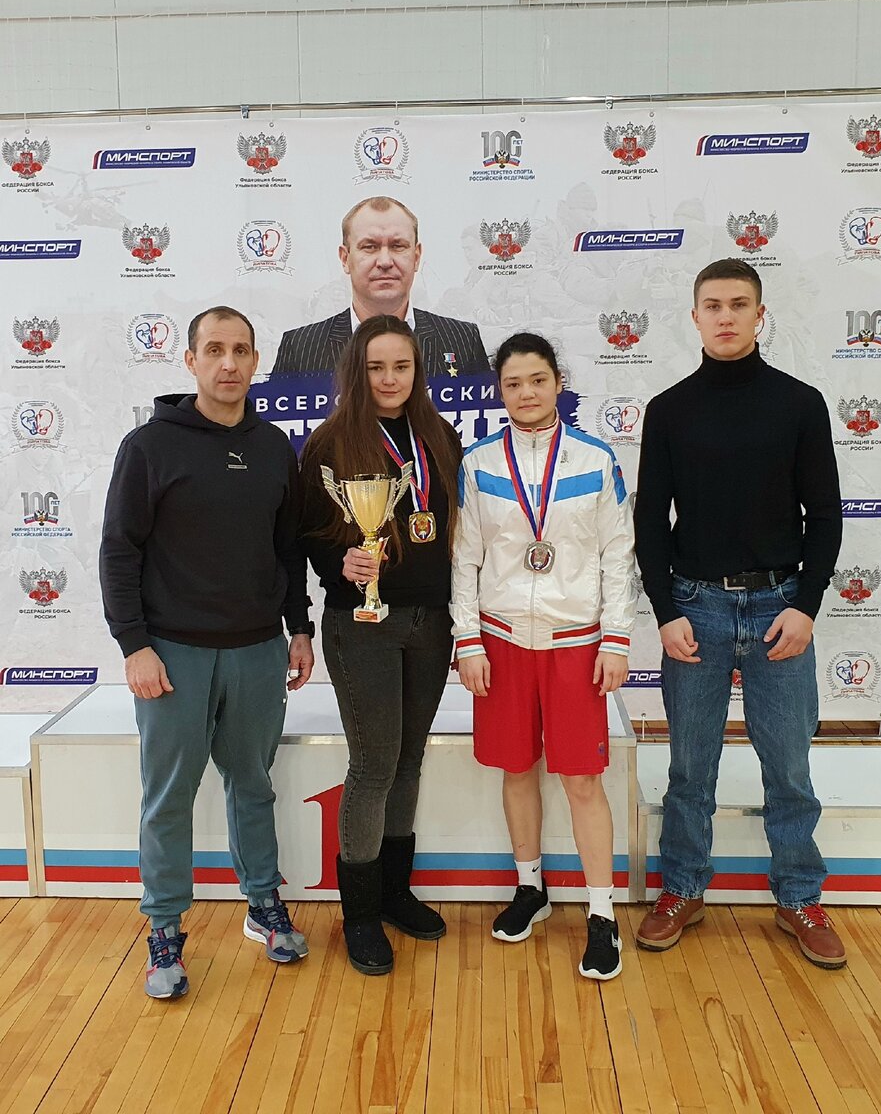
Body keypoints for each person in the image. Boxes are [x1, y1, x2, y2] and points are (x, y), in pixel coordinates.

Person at [633, 258, 846, 968]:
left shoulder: (800, 403)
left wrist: (807, 606)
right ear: (694, 317)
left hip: (781, 608)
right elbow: (649, 521)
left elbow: (826, 515)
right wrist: (666, 611)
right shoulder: (669, 409)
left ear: (760, 314)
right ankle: (682, 889)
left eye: (739, 304)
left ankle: (799, 897)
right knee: (690, 767)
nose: (725, 316)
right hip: (696, 608)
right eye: (713, 305)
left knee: (788, 766)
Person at [99, 306, 315, 999]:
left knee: (253, 784)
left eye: (241, 350)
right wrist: (135, 645)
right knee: (169, 798)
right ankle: (164, 928)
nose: (229, 363)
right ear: (190, 360)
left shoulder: (275, 447)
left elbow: (288, 550)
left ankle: (264, 904)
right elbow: (119, 550)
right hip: (172, 655)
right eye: (215, 349)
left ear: (256, 362)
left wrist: (300, 628)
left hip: (257, 650)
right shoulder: (148, 447)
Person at [451, 333, 636, 981]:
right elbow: (465, 559)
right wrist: (468, 639)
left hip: (574, 645)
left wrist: (616, 638)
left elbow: (618, 555)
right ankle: (530, 887)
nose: (526, 393)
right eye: (512, 384)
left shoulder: (595, 458)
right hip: (502, 642)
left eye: (537, 380)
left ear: (558, 381)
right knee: (517, 768)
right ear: (499, 392)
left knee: (582, 781)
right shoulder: (478, 463)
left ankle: (602, 913)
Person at [298, 314, 463, 975]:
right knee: (373, 765)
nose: (390, 379)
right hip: (361, 623)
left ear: (417, 371)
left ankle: (395, 892)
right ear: (355, 372)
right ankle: (361, 914)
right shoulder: (330, 441)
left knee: (409, 761)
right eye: (376, 367)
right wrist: (339, 563)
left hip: (432, 621)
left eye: (401, 366)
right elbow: (307, 535)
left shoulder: (440, 436)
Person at [272, 196, 490, 376]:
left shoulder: (463, 341)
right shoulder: (300, 348)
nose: (385, 261)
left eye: (398, 246)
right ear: (345, 258)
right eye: (369, 247)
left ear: (416, 257)